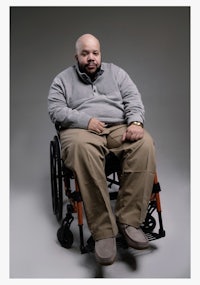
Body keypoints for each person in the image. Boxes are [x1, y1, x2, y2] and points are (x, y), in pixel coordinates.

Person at [48, 33, 156, 266]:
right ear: (76, 56)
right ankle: (104, 231)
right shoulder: (62, 79)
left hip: (117, 127)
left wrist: (136, 122)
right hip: (81, 130)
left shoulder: (117, 73)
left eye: (95, 53)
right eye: (85, 53)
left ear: (100, 54)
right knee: (82, 149)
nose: (90, 58)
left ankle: (129, 222)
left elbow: (133, 99)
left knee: (144, 143)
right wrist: (85, 121)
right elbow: (55, 109)